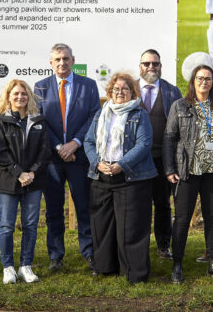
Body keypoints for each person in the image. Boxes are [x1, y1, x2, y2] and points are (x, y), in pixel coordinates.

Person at [164, 65, 213, 284]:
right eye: (200, 78)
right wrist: (169, 169)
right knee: (182, 219)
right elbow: (169, 137)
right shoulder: (180, 106)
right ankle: (177, 264)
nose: (204, 82)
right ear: (193, 81)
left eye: (208, 79)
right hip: (187, 171)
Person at [85, 73, 158, 284]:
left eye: (124, 89)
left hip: (130, 178)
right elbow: (89, 142)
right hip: (101, 177)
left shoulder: (139, 114)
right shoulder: (101, 113)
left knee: (131, 227)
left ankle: (134, 273)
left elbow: (144, 144)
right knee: (102, 224)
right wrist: (96, 163)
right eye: (116, 89)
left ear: (132, 93)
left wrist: (121, 165)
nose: (119, 93)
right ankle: (105, 267)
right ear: (109, 92)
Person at [34, 43, 101, 274]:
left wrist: (75, 144)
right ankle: (55, 256)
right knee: (53, 209)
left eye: (65, 58)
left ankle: (90, 253)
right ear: (50, 63)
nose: (62, 63)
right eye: (57, 59)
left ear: (73, 60)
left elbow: (94, 117)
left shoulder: (89, 85)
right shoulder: (40, 87)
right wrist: (60, 146)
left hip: (80, 157)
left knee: (84, 206)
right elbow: (39, 120)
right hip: (52, 159)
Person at [0, 79, 51, 284]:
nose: (20, 97)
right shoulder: (0, 121)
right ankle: (8, 267)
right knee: (6, 226)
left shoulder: (39, 121)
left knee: (31, 225)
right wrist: (19, 173)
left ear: (29, 97)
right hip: (7, 181)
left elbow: (45, 152)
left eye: (23, 94)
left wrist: (31, 173)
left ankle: (25, 266)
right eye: (15, 94)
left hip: (33, 181)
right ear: (8, 96)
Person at [138, 49, 182, 259]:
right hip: (136, 160)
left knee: (163, 203)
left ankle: (164, 245)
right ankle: (139, 244)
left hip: (163, 158)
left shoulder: (172, 92)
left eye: (155, 63)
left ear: (161, 66)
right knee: (138, 204)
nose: (151, 67)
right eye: (147, 63)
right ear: (140, 67)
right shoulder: (130, 90)